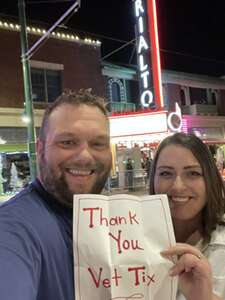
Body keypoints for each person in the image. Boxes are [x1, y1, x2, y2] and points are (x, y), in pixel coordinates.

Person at [0, 89, 112, 299]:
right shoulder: (12, 228)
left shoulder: (113, 222)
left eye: (98, 144)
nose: (85, 156)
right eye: (68, 142)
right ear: (41, 149)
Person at [149, 132, 225, 300]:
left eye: (192, 173)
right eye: (166, 173)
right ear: (153, 179)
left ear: (209, 179)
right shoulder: (129, 239)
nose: (178, 186)